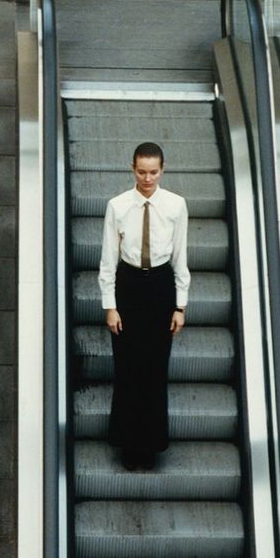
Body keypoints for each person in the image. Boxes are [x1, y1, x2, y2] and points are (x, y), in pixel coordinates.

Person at [98, 142, 190, 470]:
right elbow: (108, 259)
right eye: (141, 171)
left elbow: (181, 256)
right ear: (132, 168)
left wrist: (180, 305)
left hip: (161, 286)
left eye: (153, 172)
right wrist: (111, 305)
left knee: (154, 367)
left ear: (162, 170)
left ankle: (150, 446)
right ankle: (127, 445)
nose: (147, 178)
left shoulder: (176, 205)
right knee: (127, 367)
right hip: (129, 285)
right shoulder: (118, 206)